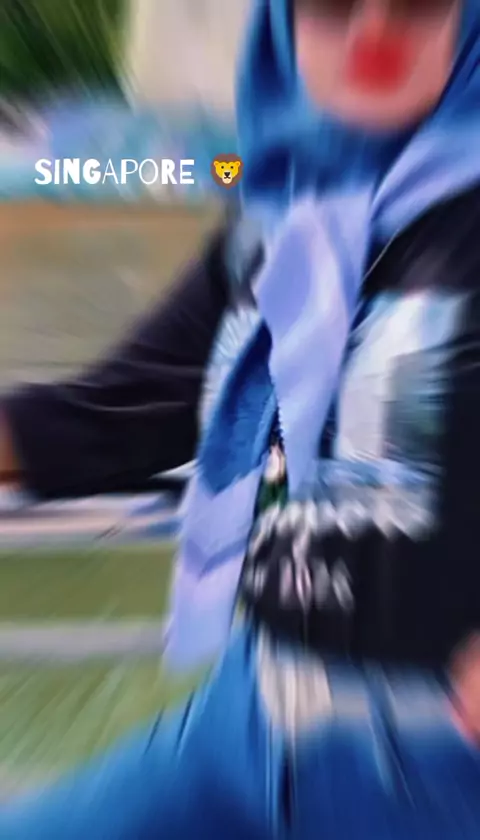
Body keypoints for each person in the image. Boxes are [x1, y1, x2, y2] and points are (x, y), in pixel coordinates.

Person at [3, 0, 480, 836]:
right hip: (249, 715)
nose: (373, 31)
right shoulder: (275, 223)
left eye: (416, 5)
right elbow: (120, 412)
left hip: (439, 766)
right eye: (331, 7)